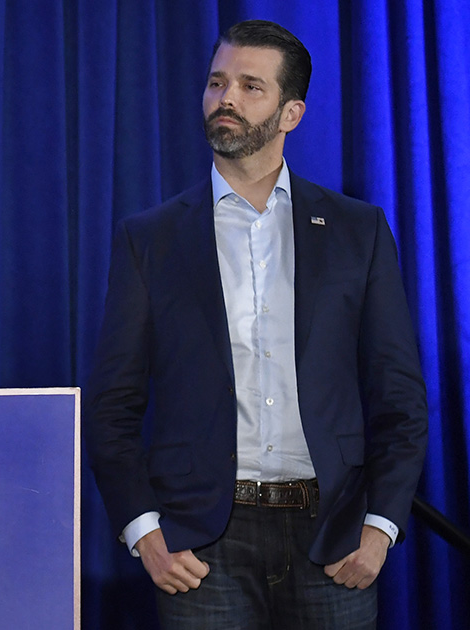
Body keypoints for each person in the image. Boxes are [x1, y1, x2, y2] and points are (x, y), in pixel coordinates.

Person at [85, 20, 427, 629]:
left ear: (290, 113)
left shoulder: (358, 230)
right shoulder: (151, 239)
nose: (227, 100)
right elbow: (113, 404)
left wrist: (379, 530)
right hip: (202, 546)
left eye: (250, 86)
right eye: (217, 83)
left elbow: (399, 397)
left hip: (333, 538)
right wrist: (144, 531)